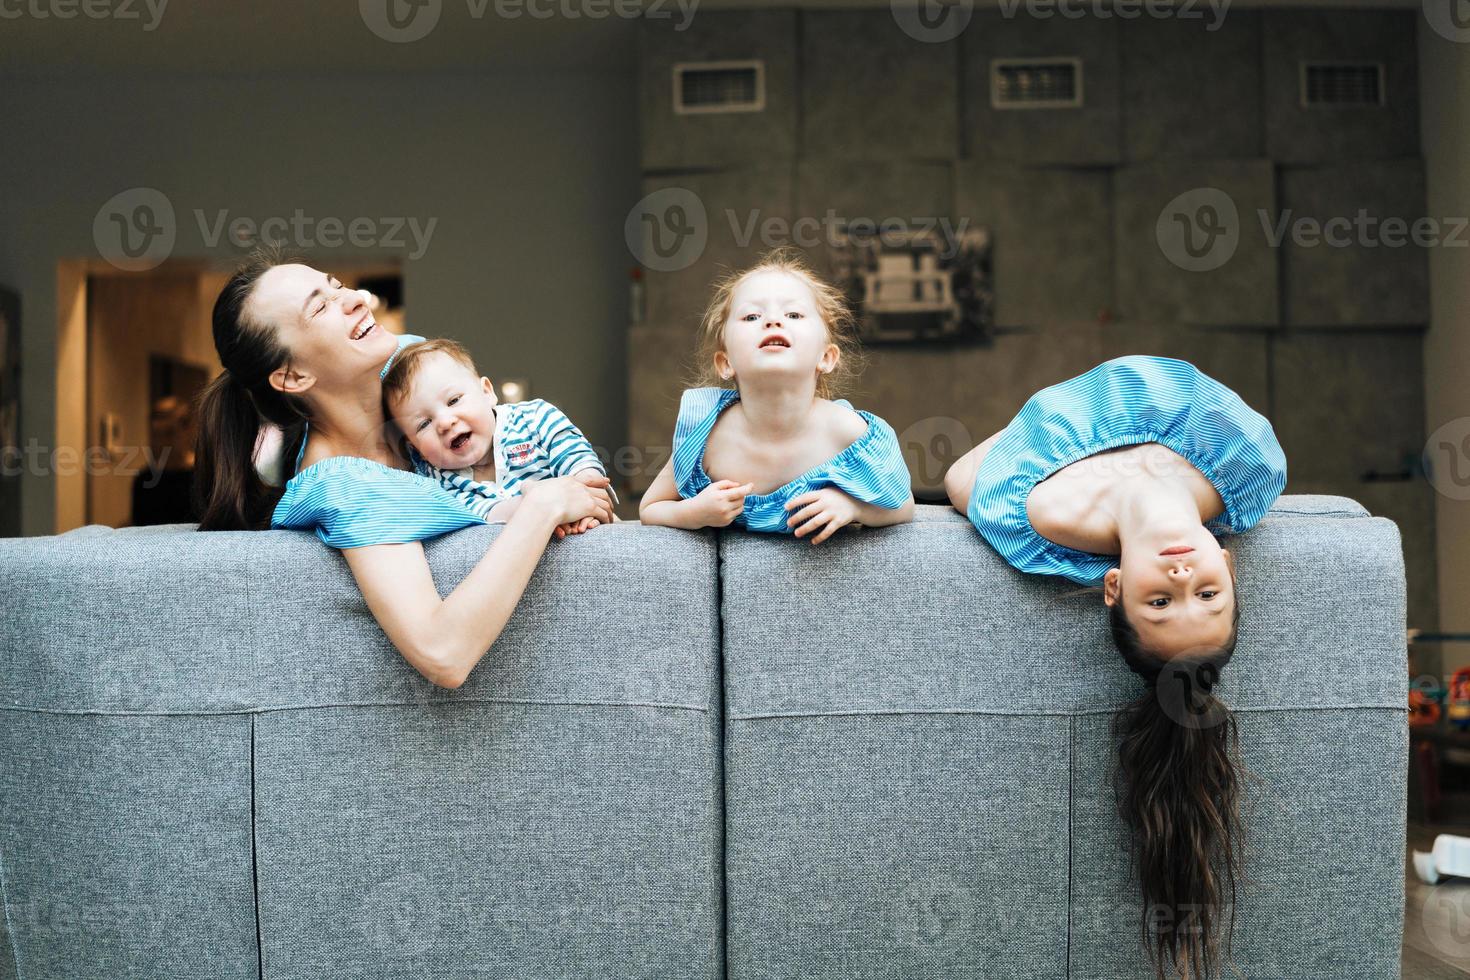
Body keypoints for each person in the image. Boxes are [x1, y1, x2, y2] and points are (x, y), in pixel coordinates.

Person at [944, 354, 1288, 980]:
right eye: (1207, 595)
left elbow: (963, 477)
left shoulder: (1038, 513)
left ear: (1114, 588)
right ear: (1231, 570)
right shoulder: (1250, 468)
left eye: (1159, 602)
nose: (1183, 578)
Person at [193, 250, 612, 689]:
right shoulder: (348, 486)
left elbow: (507, 431)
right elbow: (443, 653)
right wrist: (542, 505)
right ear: (294, 377)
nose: (355, 298)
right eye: (319, 307)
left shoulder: (404, 368)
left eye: (335, 285)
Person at [639, 250, 913, 543]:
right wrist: (693, 513)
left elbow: (904, 505)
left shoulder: (847, 432)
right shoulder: (707, 434)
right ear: (726, 363)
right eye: (751, 316)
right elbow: (650, 508)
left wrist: (854, 507)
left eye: (793, 314)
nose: (772, 321)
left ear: (827, 357)